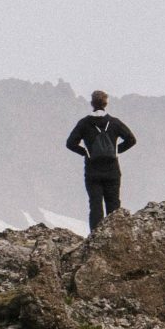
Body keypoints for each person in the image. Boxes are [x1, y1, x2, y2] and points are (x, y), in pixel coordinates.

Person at [66, 90, 136, 232]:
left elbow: (70, 143)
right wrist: (116, 151)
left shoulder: (84, 123)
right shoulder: (114, 122)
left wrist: (86, 153)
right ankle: (115, 237)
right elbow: (131, 140)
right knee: (113, 205)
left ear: (92, 103)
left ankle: (96, 238)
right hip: (112, 170)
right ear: (106, 103)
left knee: (95, 205)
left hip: (93, 171)